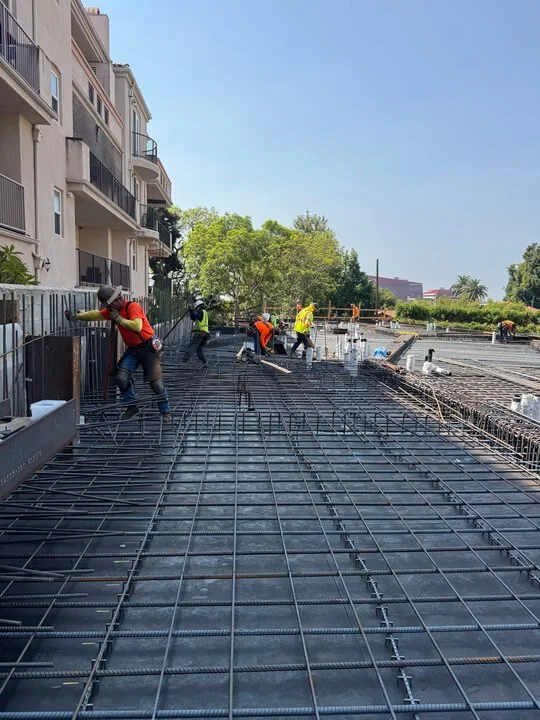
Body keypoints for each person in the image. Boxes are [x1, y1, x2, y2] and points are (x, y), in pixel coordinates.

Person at [65, 285, 171, 422]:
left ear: (117, 299)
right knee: (121, 377)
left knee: (156, 384)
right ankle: (132, 407)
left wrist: (120, 320)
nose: (108, 309)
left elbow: (137, 326)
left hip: (148, 348)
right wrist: (76, 316)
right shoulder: (111, 310)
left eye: (109, 305)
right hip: (133, 350)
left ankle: (166, 412)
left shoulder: (132, 307)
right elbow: (95, 314)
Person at [183, 299, 210, 367]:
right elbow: (193, 317)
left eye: (196, 308)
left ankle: (185, 358)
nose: (196, 309)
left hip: (201, 334)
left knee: (193, 345)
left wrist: (191, 310)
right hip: (205, 334)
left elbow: (195, 315)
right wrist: (190, 311)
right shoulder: (203, 313)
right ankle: (205, 362)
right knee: (199, 350)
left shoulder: (202, 312)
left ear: (198, 307)